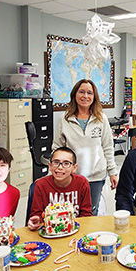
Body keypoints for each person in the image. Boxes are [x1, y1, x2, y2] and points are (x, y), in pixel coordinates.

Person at [52, 79, 118, 215]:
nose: (85, 96)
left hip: (96, 176)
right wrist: (56, 170)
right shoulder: (64, 119)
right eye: (81, 92)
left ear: (94, 97)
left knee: (91, 211)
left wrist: (113, 172)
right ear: (75, 94)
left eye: (90, 93)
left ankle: (89, 236)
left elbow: (108, 146)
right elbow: (57, 147)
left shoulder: (101, 118)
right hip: (71, 175)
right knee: (70, 211)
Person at [27, 146, 92, 229]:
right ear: (50, 166)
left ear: (74, 168)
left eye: (66, 163)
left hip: (75, 229)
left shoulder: (82, 183)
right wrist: (36, 219)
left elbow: (86, 214)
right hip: (50, 231)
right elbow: (36, 214)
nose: (60, 167)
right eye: (56, 162)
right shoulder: (41, 185)